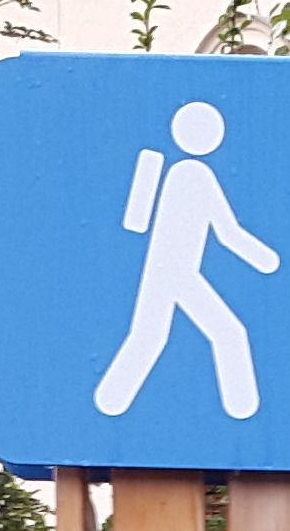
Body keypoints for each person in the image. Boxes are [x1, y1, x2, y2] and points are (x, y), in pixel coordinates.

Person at [94, 100, 279, 420]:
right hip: (176, 273)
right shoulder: (194, 175)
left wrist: (262, 259)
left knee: (150, 337)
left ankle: (110, 403)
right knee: (226, 333)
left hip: (166, 271)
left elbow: (141, 223)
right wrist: (266, 260)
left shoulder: (180, 173)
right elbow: (227, 232)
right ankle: (242, 411)